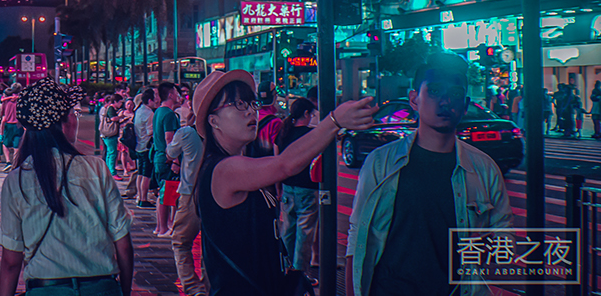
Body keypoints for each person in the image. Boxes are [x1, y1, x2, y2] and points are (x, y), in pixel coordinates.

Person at [193, 69, 376, 295]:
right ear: (214, 121)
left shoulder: (237, 163)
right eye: (239, 104)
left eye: (252, 104)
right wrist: (333, 122)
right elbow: (285, 164)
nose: (251, 111)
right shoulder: (223, 169)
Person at [347, 53, 513, 296]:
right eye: (434, 91)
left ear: (465, 105)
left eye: (455, 94)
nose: (445, 101)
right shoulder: (381, 162)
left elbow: (503, 235)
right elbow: (358, 234)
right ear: (414, 98)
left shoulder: (484, 169)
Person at [0, 79, 134, 296]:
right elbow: (123, 244)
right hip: (101, 287)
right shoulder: (96, 169)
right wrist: (124, 291)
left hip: (46, 288)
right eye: (74, 114)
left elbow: (11, 261)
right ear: (62, 123)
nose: (76, 119)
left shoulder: (17, 180)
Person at [274, 97, 319, 272]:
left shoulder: (284, 133)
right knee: (304, 233)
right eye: (311, 114)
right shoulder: (311, 135)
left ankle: (285, 271)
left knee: (288, 231)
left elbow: (277, 161)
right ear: (306, 114)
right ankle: (300, 276)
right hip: (307, 188)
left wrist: (278, 187)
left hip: (287, 187)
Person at [165, 98, 204, 296]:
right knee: (210, 242)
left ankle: (193, 287)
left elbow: (170, 152)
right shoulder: (221, 134)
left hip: (190, 192)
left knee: (180, 241)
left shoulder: (187, 133)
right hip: (216, 193)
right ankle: (209, 284)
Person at [151, 83, 181, 235]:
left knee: (163, 193)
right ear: (170, 95)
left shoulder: (158, 112)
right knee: (168, 193)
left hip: (159, 157)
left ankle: (160, 226)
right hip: (167, 159)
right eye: (176, 92)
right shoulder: (169, 114)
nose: (178, 95)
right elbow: (169, 138)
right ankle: (163, 227)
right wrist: (175, 159)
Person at [133, 88, 159, 208]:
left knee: (140, 172)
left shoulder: (138, 111)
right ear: (150, 100)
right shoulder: (149, 113)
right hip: (146, 147)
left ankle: (139, 196)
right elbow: (150, 132)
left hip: (138, 145)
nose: (156, 102)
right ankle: (143, 198)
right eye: (154, 100)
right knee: (146, 174)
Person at [98, 94, 122, 176]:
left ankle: (108, 170)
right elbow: (113, 118)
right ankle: (112, 172)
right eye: (120, 102)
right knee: (112, 153)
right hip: (110, 134)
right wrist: (120, 116)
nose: (121, 104)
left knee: (109, 153)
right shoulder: (111, 108)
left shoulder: (106, 108)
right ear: (115, 102)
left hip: (106, 134)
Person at [256, 80, 283, 150]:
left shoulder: (252, 117)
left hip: (250, 160)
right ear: (275, 96)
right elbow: (277, 148)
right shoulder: (276, 122)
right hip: (268, 159)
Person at [0, 87, 22, 171]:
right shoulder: (19, 101)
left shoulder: (6, 102)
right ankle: (15, 163)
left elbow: (3, 115)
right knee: (17, 146)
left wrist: (0, 133)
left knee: (5, 144)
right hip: (18, 125)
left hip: (8, 125)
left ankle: (8, 162)